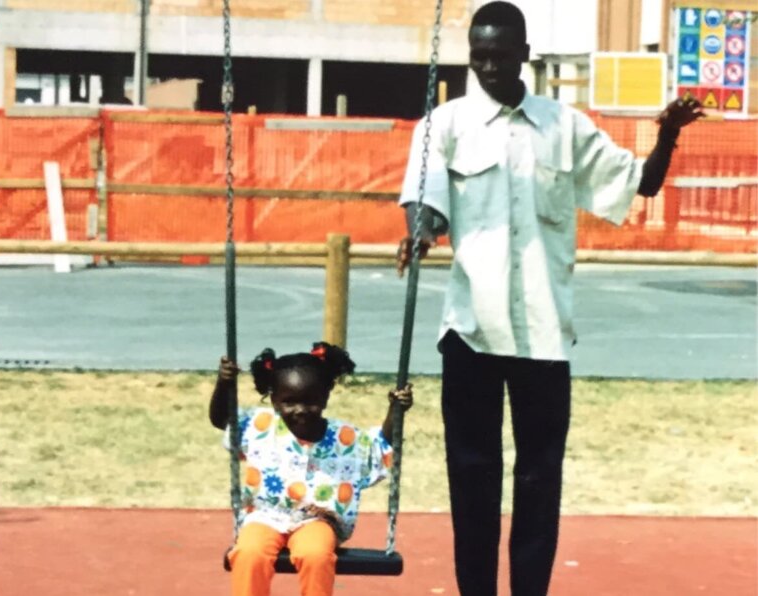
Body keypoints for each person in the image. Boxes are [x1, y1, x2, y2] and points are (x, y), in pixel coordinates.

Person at [395, 2, 704, 595]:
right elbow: (425, 200)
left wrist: (665, 134)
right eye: (478, 56)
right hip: (471, 330)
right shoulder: (445, 125)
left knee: (539, 479)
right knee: (472, 477)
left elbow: (640, 183)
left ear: (523, 56)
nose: (487, 67)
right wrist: (419, 230)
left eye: (499, 56)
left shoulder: (565, 126)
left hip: (543, 332)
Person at [209, 342, 413, 596]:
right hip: (264, 515)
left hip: (318, 519)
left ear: (325, 397)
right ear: (273, 400)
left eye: (310, 402)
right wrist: (224, 384)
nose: (301, 410)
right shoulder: (259, 427)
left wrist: (396, 409)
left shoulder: (345, 439)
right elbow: (221, 419)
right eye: (290, 402)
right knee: (249, 553)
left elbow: (380, 445)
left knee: (315, 555)